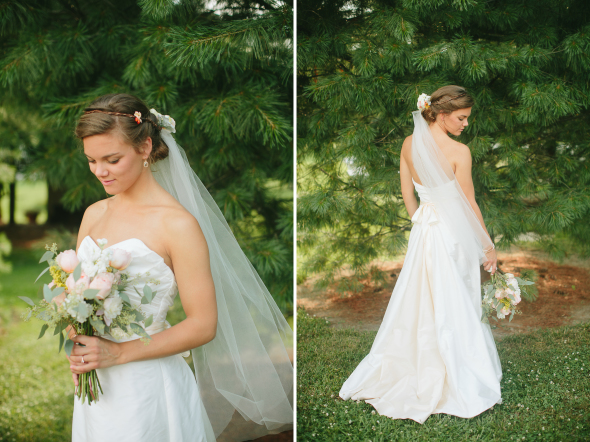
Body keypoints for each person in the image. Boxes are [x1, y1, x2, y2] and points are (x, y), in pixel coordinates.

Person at [58, 93, 293, 441]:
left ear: (144, 147)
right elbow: (75, 300)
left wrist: (120, 352)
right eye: (91, 161)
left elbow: (202, 325)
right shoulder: (94, 214)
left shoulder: (177, 225)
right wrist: (77, 344)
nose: (100, 171)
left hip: (149, 386)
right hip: (97, 386)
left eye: (112, 159)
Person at [339, 85, 502, 424]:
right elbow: (469, 204)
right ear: (441, 115)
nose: (465, 124)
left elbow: (405, 190)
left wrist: (419, 218)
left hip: (424, 231)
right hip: (451, 235)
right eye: (461, 118)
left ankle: (417, 360)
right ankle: (455, 369)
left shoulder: (409, 144)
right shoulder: (460, 152)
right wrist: (488, 245)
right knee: (454, 297)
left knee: (420, 297)